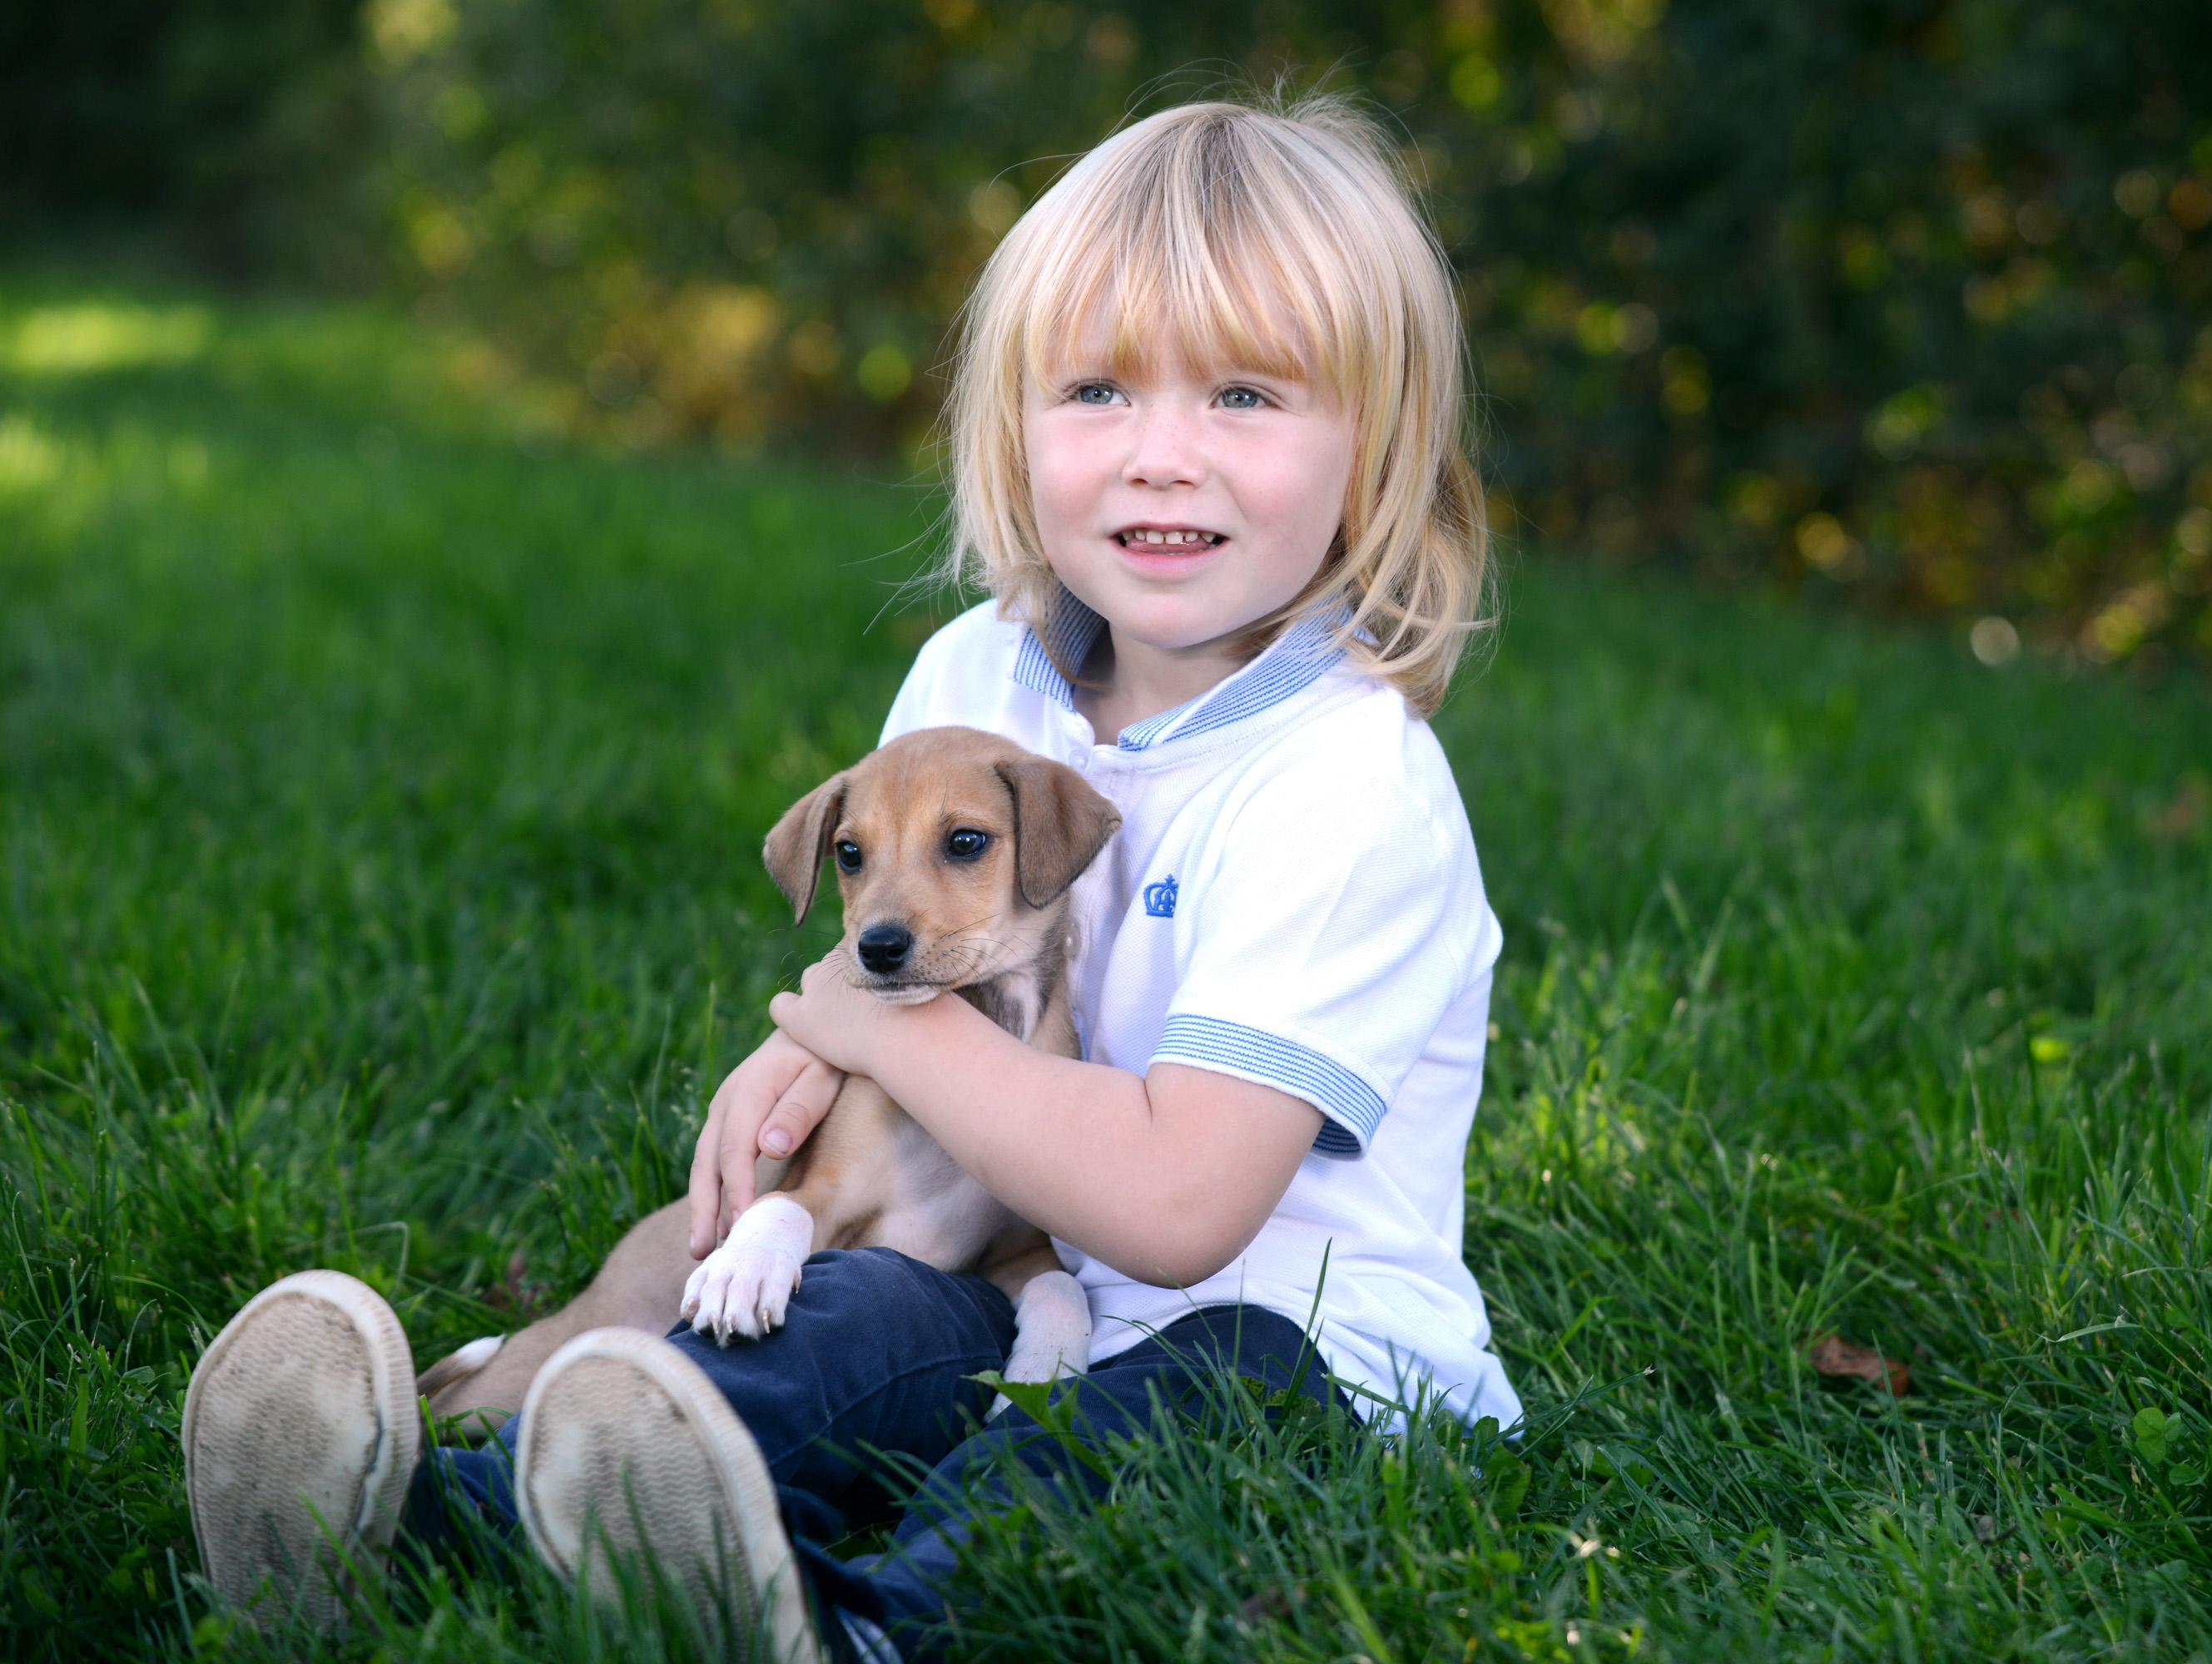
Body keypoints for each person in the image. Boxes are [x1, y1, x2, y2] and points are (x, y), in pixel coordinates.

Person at [180, 92, 1523, 1662]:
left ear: (1377, 445)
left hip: (1294, 1349)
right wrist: (808, 1039)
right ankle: (440, 1526)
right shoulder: (983, 674)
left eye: (1243, 394)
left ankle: (848, 1627)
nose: (1164, 457)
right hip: (995, 1271)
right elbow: (888, 943)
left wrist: (871, 1028)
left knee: (1172, 1405)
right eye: (1094, 390)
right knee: (841, 1317)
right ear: (1012, 428)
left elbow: (1173, 1207)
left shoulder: (1344, 780)